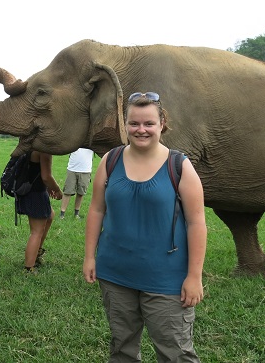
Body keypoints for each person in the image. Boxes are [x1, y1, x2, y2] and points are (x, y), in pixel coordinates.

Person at [82, 91, 207, 362]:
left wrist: (194, 276)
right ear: (124, 124)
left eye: (148, 123)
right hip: (115, 274)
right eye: (134, 123)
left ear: (162, 123)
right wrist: (90, 256)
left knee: (175, 353)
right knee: (122, 348)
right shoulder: (110, 160)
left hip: (167, 279)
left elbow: (197, 223)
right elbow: (97, 209)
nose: (141, 130)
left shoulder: (179, 166)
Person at [17, 150, 63, 273]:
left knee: (50, 216)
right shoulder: (44, 149)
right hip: (35, 193)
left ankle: (36, 252)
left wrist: (47, 188)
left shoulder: (29, 144)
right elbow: (46, 176)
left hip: (30, 191)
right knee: (36, 231)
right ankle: (29, 267)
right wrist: (57, 189)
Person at [59, 147, 94, 220]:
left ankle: (76, 214)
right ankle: (62, 214)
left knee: (80, 193)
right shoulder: (75, 139)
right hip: (72, 169)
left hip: (86, 170)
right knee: (67, 192)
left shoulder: (91, 141)